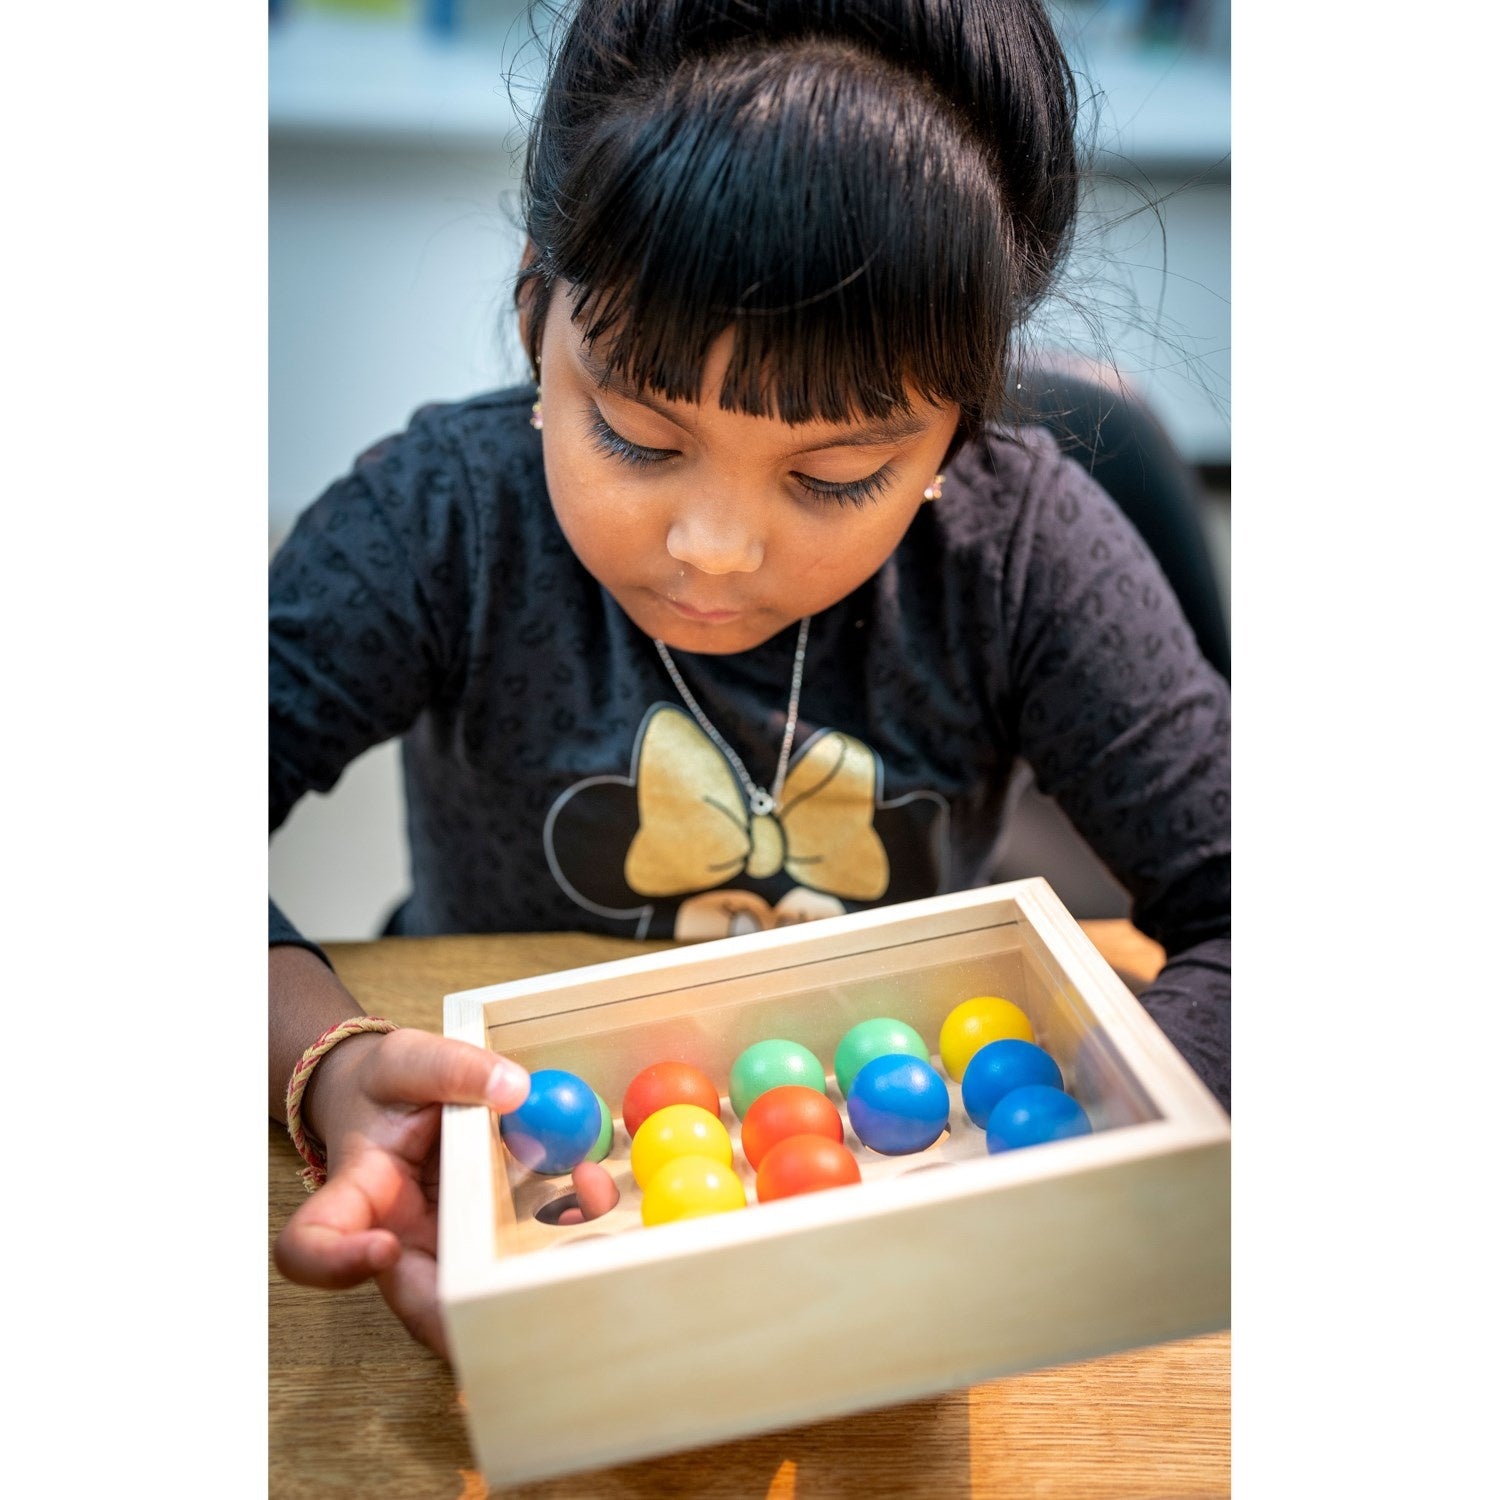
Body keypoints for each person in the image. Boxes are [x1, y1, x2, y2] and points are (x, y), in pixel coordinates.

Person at [270, 0, 1230, 1358]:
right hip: (531, 1177)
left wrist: (1055, 1153)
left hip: (886, 1205)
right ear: (538, 311)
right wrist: (325, 1066)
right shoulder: (443, 524)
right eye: (637, 437)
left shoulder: (1023, 556)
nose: (713, 552)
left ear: (962, 419)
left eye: (837, 477)